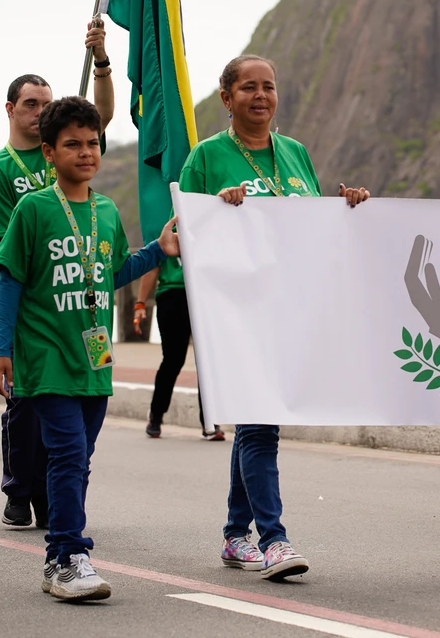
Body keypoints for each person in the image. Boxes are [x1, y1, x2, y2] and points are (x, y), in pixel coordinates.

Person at [179, 54, 369, 581]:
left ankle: (235, 534)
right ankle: (274, 539)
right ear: (227, 98)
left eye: (268, 87)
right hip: (239, 313)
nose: (260, 96)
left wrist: (347, 205)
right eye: (248, 88)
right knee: (260, 423)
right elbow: (183, 233)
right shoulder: (207, 157)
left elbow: (312, 225)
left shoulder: (296, 153)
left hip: (293, 310)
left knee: (259, 421)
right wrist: (217, 209)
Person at [0, 97, 178, 601]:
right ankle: (69, 554)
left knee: (78, 458)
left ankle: (60, 556)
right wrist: (0, 348)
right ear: (49, 153)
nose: (86, 152)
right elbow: (8, 279)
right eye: (72, 144)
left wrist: (158, 251)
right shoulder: (33, 208)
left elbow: (111, 273)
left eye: (92, 142)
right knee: (70, 453)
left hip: (94, 360)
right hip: (46, 356)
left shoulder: (106, 210)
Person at [0, 21, 115, 529]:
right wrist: (2, 343)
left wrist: (100, 59)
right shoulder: (0, 173)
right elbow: (7, 263)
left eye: (46, 103)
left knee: (76, 437)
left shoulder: (80, 165)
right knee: (25, 410)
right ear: (12, 109)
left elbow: (99, 116)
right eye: (30, 104)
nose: (39, 112)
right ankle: (25, 492)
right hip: (37, 315)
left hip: (88, 324)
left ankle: (56, 500)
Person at [135, 261, 223, 440]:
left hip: (201, 294)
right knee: (173, 360)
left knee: (205, 361)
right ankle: (156, 416)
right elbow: (152, 265)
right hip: (172, 295)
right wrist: (140, 303)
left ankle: (209, 423)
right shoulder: (163, 231)